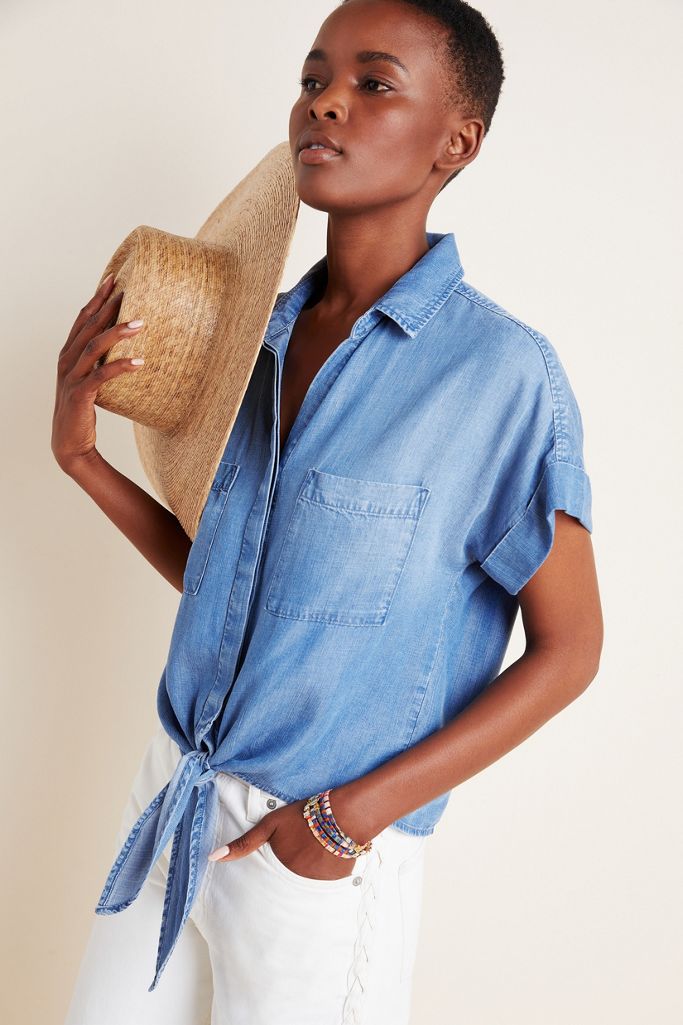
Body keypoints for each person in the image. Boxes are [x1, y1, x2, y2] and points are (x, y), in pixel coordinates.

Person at [53, 1, 604, 1023]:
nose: (325, 103)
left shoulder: (499, 377)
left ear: (455, 142)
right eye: (313, 80)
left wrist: (345, 818)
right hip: (171, 796)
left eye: (371, 83)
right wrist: (81, 459)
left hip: (314, 855)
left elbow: (570, 651)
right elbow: (233, 580)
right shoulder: (249, 342)